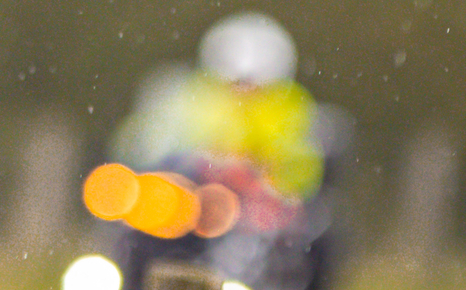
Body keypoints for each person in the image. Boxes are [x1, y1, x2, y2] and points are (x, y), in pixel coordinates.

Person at [113, 12, 327, 204]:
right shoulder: (192, 96)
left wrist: (265, 173)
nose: (243, 92)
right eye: (234, 84)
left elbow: (302, 161)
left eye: (256, 87)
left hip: (261, 207)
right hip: (198, 202)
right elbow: (154, 145)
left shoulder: (291, 105)